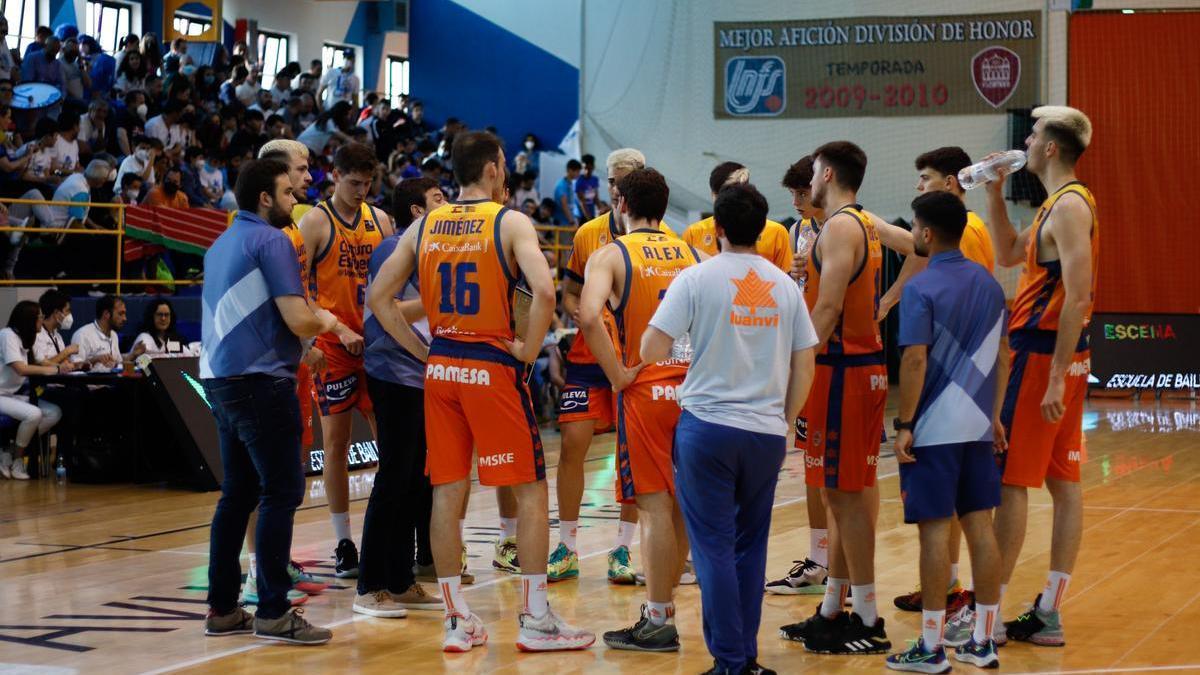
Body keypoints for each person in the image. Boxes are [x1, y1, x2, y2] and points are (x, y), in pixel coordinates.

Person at [367, 130, 594, 653]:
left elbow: (379, 298)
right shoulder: (509, 220)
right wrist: (529, 348)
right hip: (491, 363)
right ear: (494, 168)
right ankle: (536, 620)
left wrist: (423, 354)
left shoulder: (425, 224)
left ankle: (456, 620)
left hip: (442, 367)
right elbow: (543, 289)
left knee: (448, 491)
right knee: (531, 489)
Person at [641, 181, 817, 674]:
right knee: (750, 546)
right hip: (764, 433)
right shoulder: (784, 285)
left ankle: (731, 661)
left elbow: (650, 350)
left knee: (713, 547)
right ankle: (747, 658)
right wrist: (784, 420)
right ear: (762, 230)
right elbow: (806, 363)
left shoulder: (697, 278)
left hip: (707, 428)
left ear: (715, 228)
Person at [199, 158, 340, 645]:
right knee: (281, 492)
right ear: (265, 198)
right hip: (261, 383)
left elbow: (255, 315)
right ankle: (275, 610)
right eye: (286, 192)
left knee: (236, 494)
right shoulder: (273, 239)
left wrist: (304, 345)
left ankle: (221, 609)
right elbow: (299, 317)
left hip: (219, 379)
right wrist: (329, 322)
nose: (295, 199)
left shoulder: (222, 243)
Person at [984, 106, 1097, 647]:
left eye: (1032, 135)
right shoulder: (1056, 204)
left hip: (1043, 355)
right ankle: (1047, 611)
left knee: (1012, 481)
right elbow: (1008, 252)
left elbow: (1079, 296)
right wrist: (992, 191)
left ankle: (991, 614)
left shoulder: (1070, 207)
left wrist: (1054, 376)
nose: (1025, 141)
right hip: (1060, 356)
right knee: (1062, 480)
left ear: (1051, 148)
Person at [884, 191, 1008, 672]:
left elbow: (914, 359)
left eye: (914, 226)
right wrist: (994, 416)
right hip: (977, 424)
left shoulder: (920, 286)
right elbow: (1003, 356)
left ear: (927, 233)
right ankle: (983, 641)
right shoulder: (990, 283)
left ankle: (932, 648)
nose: (912, 233)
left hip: (934, 426)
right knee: (980, 526)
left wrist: (905, 424)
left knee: (935, 533)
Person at [577, 167, 699, 652]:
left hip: (646, 389)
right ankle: (664, 609)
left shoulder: (611, 253)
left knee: (652, 509)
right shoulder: (692, 252)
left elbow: (587, 316)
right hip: (694, 389)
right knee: (685, 505)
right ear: (664, 207)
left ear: (620, 204)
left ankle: (658, 618)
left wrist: (616, 374)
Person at [778, 141, 891, 655]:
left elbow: (825, 313)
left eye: (813, 173)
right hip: (852, 368)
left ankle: (865, 616)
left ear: (826, 173)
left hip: (843, 369)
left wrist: (790, 379)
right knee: (840, 497)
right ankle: (833, 608)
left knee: (845, 499)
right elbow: (921, 245)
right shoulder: (861, 223)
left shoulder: (843, 226)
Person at [551, 149, 668, 584]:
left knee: (632, 459)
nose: (617, 187)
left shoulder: (660, 238)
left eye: (626, 179)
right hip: (587, 356)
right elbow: (568, 292)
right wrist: (582, 313)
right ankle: (566, 545)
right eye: (613, 180)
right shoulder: (587, 235)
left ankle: (622, 549)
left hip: (634, 362)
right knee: (571, 447)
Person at [297, 142, 394, 576]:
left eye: (368, 182)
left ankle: (388, 533)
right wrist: (313, 340)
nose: (362, 190)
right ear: (334, 176)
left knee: (391, 443)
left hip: (376, 344)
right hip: (335, 347)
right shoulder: (316, 222)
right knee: (335, 444)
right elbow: (296, 290)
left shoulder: (381, 220)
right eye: (354, 182)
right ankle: (343, 542)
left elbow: (394, 284)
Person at [352, 176, 447, 618]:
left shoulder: (428, 248)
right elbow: (384, 308)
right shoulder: (394, 248)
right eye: (437, 199)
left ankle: (400, 579)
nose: (445, 205)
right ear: (415, 210)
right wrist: (436, 300)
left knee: (414, 480)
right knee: (393, 478)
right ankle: (369, 586)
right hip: (394, 372)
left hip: (420, 374)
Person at [762, 155, 833, 597]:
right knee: (810, 464)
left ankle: (832, 571)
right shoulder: (794, 230)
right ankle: (819, 559)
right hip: (803, 353)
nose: (797, 201)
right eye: (792, 195)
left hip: (830, 355)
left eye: (802, 193)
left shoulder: (844, 227)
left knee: (830, 471)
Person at [0, 301, 72, 480]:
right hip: (1, 394)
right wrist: (55, 370)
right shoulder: (7, 335)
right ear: (28, 319)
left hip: (14, 395)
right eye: (40, 317)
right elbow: (21, 369)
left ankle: (8, 451)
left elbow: (41, 361)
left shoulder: (27, 337)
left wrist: (68, 365)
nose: (42, 320)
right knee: (33, 414)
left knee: (54, 412)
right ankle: (18, 459)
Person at [683, 161, 792, 272]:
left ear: (747, 192)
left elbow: (786, 278)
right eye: (719, 196)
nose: (726, 201)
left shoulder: (776, 233)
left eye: (732, 195)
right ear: (712, 194)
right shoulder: (693, 233)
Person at [69, 294, 144, 367]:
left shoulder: (113, 334)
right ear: (106, 314)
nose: (125, 318)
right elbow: (73, 367)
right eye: (121, 314)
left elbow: (118, 364)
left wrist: (133, 355)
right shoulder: (82, 335)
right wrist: (94, 360)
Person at [34, 289, 79, 367]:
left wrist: (77, 365)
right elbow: (41, 366)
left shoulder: (57, 336)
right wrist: (66, 352)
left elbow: (63, 364)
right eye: (67, 311)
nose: (70, 314)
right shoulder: (36, 335)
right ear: (56, 313)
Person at [79, 35, 116, 99]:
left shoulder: (104, 59)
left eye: (84, 44)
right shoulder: (81, 59)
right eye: (80, 44)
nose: (81, 46)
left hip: (99, 94)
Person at [553, 159, 581, 227]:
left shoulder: (571, 184)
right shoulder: (561, 185)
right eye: (577, 171)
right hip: (563, 224)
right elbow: (564, 205)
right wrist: (572, 222)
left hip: (569, 222)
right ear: (570, 170)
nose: (578, 174)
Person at [574, 154, 600, 221]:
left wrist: (601, 210)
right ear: (582, 167)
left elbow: (596, 198)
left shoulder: (595, 180)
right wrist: (588, 219)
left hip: (592, 214)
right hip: (581, 217)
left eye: (589, 169)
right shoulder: (579, 181)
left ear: (593, 167)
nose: (587, 171)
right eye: (585, 168)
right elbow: (582, 202)